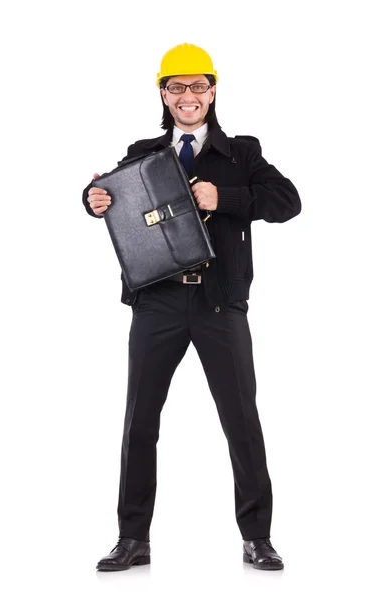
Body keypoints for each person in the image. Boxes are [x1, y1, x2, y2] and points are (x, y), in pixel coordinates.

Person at [82, 42, 301, 572]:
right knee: (140, 421)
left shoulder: (242, 152)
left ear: (213, 91)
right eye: (176, 87)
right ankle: (133, 538)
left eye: (198, 86)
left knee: (241, 419)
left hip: (219, 302)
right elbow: (109, 197)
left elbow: (287, 201)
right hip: (156, 302)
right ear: (163, 93)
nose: (188, 97)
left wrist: (222, 199)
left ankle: (258, 537)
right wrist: (91, 199)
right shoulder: (142, 153)